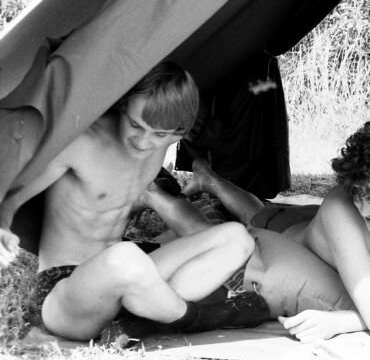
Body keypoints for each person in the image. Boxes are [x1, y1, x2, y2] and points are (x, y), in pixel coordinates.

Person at [0, 61, 266, 344]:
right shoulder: (81, 144)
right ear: (124, 106)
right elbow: (13, 193)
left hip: (125, 283)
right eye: (135, 125)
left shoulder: (159, 142)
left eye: (160, 135)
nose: (143, 142)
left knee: (236, 238)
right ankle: (201, 318)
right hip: (66, 294)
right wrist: (3, 225)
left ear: (178, 133)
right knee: (125, 256)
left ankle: (138, 324)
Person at [183, 120, 370, 342]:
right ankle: (195, 184)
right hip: (293, 239)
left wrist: (345, 321)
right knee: (253, 219)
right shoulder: (340, 210)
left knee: (259, 211)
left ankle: (209, 180)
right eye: (357, 195)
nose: (364, 209)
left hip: (317, 229)